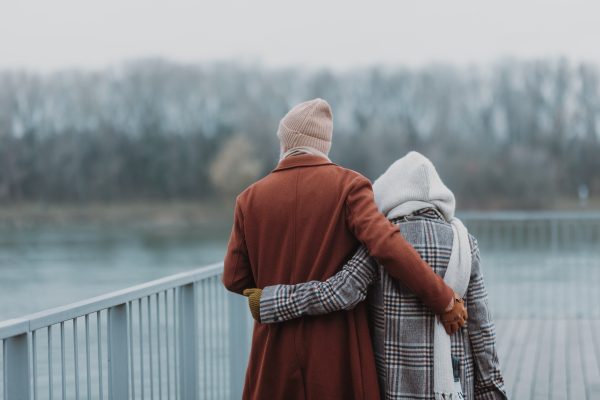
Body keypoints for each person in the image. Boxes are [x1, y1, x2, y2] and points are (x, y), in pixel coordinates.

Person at [222, 99, 466, 400]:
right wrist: (442, 298)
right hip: (338, 353)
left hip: (274, 351)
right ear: (324, 146)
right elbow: (387, 245)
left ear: (286, 142)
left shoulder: (249, 199)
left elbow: (234, 280)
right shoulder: (350, 186)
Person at [250, 152, 507, 400]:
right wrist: (491, 391)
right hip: (455, 386)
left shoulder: (382, 244)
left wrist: (270, 300)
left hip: (395, 387)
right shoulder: (465, 244)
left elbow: (336, 293)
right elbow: (482, 331)